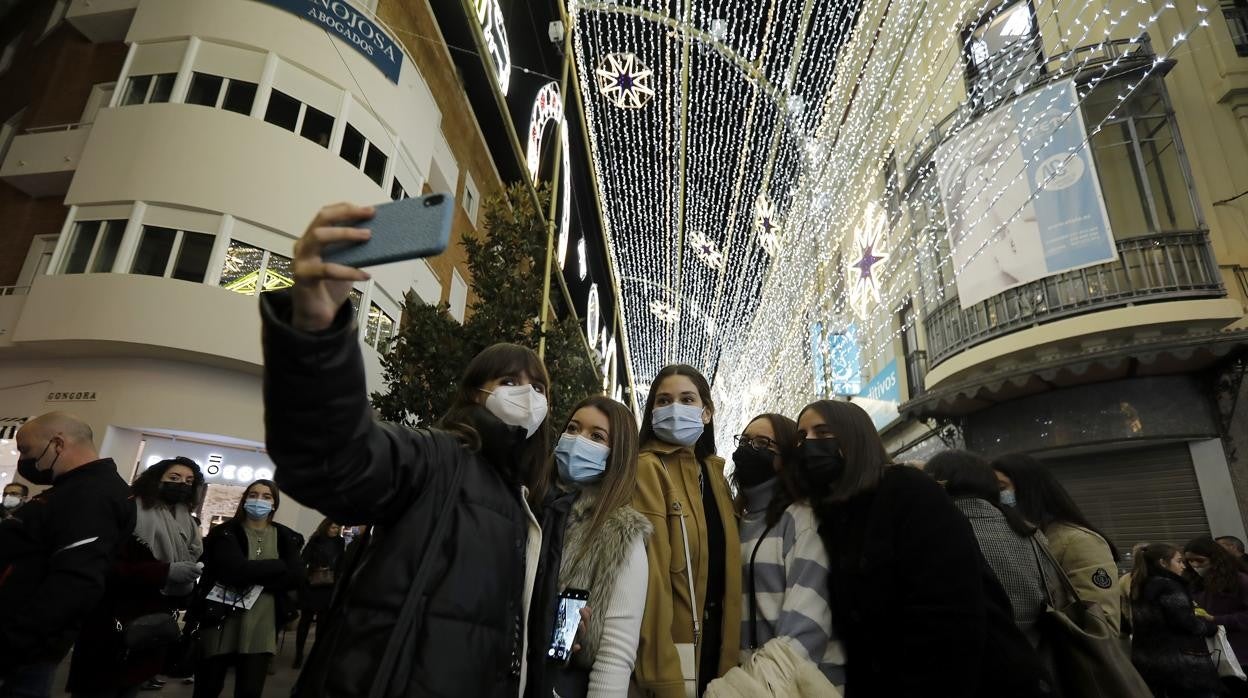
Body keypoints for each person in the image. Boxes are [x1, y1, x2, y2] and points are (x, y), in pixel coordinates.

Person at [261, 201, 567, 697]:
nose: (527, 396)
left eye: (538, 388)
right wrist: (313, 332)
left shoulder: (528, 501)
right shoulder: (437, 458)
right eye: (510, 380)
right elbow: (338, 462)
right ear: (475, 392)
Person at [800, 400, 1051, 697]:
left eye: (823, 432)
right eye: (801, 438)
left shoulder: (908, 492)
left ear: (856, 437)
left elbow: (951, 617)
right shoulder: (831, 516)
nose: (809, 444)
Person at [0, 412, 136, 698]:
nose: (23, 460)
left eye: (26, 450)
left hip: (23, 647)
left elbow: (75, 582)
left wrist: (12, 643)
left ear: (57, 444)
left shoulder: (91, 495)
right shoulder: (74, 490)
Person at [528, 396, 651, 697]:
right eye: (572, 428)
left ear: (617, 455)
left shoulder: (621, 534)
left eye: (597, 436)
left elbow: (614, 658)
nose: (577, 440)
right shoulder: (527, 507)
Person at [632, 364, 741, 697]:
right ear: (651, 413)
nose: (674, 408)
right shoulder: (645, 468)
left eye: (686, 399)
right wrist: (663, 675)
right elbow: (653, 583)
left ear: (706, 412)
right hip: (673, 659)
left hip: (717, 652)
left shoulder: (715, 476)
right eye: (663, 401)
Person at [67, 456, 206, 697]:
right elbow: (109, 566)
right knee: (100, 686)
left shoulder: (188, 522)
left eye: (188, 481)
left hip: (154, 622)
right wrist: (167, 572)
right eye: (174, 478)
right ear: (156, 479)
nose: (182, 484)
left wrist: (185, 583)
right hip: (113, 619)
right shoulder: (132, 510)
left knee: (131, 685)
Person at [731, 413, 844, 685]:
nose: (748, 449)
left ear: (785, 459)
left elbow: (806, 629)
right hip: (751, 680)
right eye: (744, 441)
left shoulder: (801, 519)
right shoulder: (734, 521)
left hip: (798, 682)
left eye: (762, 443)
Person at [923, 450, 1063, 648]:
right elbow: (1053, 597)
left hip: (961, 661)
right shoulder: (1032, 534)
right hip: (1029, 659)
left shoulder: (931, 536)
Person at [190, 480, 304, 698]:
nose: (258, 500)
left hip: (262, 624)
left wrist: (252, 574)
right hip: (221, 622)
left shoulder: (286, 536)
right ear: (244, 500)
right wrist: (279, 565)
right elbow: (234, 571)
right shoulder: (225, 533)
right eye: (253, 495)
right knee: (208, 687)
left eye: (266, 496)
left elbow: (296, 576)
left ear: (274, 504)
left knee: (250, 690)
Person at [994, 453, 1122, 635]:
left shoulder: (1078, 541)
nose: (996, 498)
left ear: (1029, 488)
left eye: (1001, 488)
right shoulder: (1018, 539)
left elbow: (1103, 624)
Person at [1129, 543, 1222, 698]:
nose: (1184, 567)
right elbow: (1184, 622)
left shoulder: (1140, 584)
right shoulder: (1169, 586)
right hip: (1182, 663)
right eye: (1178, 561)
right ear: (1163, 563)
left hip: (1152, 661)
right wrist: (1209, 627)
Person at [1185, 536, 1248, 692]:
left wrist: (1215, 619)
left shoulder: (1239, 581)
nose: (1194, 565)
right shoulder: (1193, 583)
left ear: (1214, 558)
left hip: (1239, 652)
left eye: (1199, 560)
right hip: (1212, 653)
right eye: (1190, 561)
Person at [294, 518, 345, 669]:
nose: (334, 530)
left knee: (322, 624)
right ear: (326, 526)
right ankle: (298, 655)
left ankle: (316, 656)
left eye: (337, 528)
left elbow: (341, 562)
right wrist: (315, 568)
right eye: (332, 527)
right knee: (305, 621)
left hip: (329, 586)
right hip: (313, 585)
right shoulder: (315, 540)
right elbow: (303, 560)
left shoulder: (340, 542)